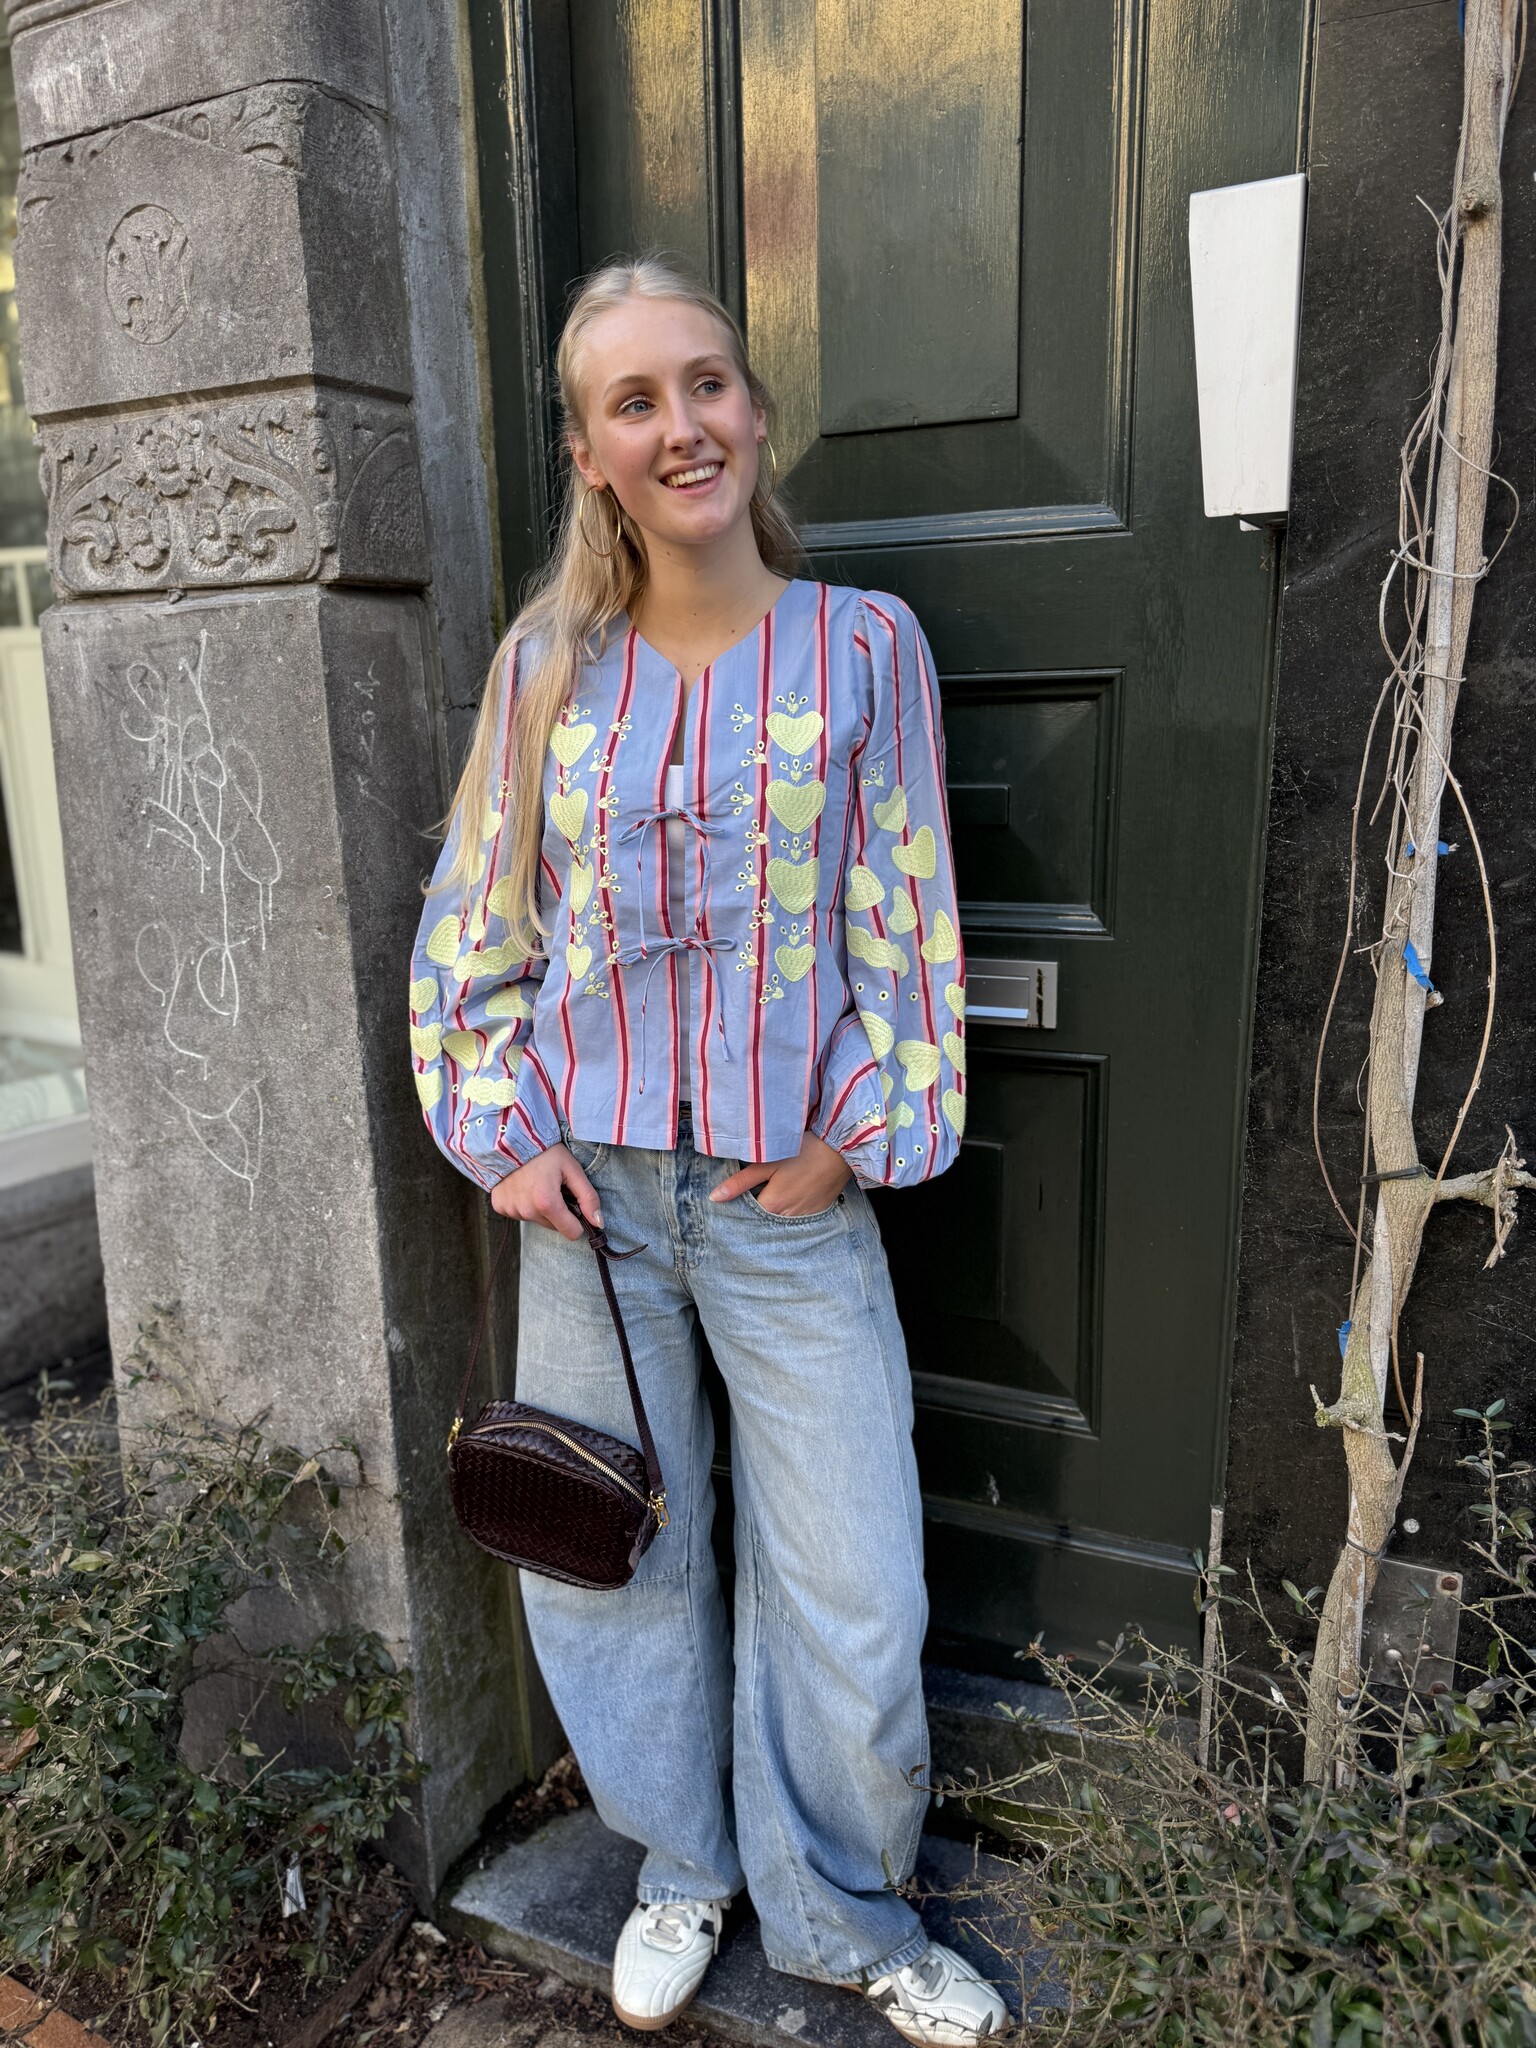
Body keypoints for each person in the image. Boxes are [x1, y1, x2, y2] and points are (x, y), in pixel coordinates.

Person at [409, 257, 1001, 2046]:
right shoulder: (544, 669)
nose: (683, 426)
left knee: (852, 1580)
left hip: (784, 1202)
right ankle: (681, 1865)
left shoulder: (864, 648)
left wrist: (853, 1142)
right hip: (591, 1203)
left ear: (754, 410)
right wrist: (505, 1136)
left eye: (708, 384)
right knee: (610, 1561)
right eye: (636, 402)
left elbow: (909, 921)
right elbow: (481, 918)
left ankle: (841, 1912)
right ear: (588, 451)